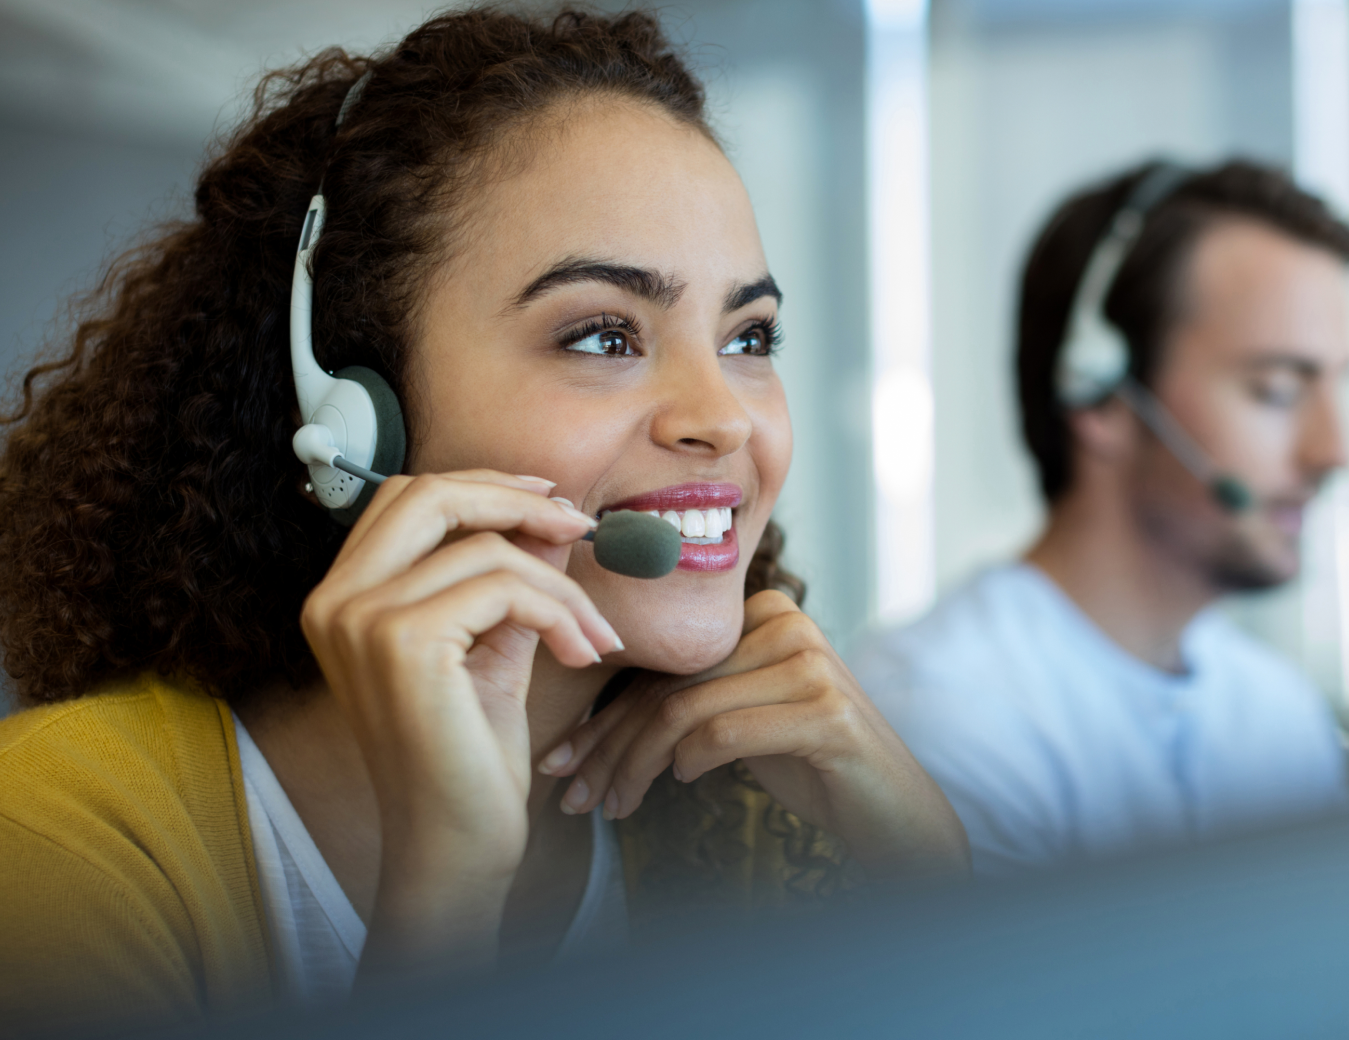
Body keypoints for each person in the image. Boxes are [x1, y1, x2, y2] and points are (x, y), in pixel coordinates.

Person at [0, 8, 967, 1033]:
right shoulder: (56, 841)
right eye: (602, 334)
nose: (722, 416)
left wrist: (928, 869)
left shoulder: (743, 812)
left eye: (748, 334)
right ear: (355, 408)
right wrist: (446, 889)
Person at [854, 159, 1349, 876]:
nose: (1335, 451)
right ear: (1102, 400)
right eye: (1277, 390)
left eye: (1338, 387)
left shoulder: (1280, 714)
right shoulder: (938, 715)